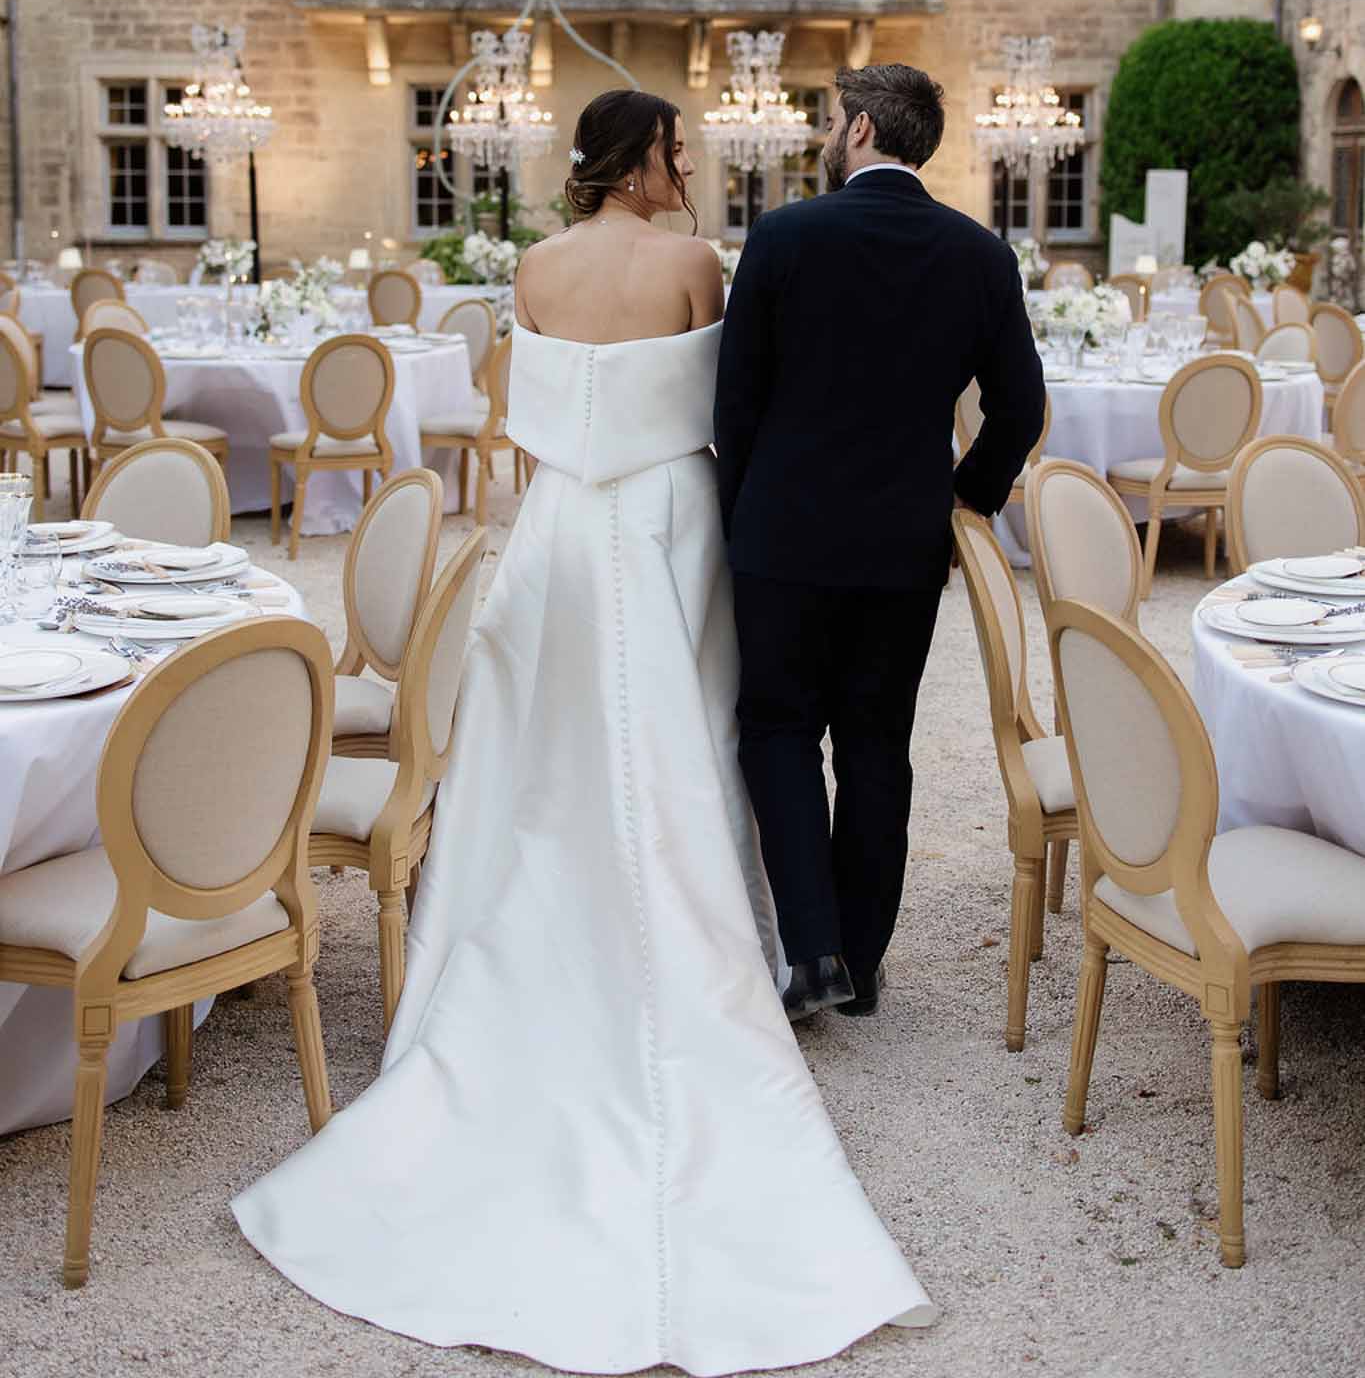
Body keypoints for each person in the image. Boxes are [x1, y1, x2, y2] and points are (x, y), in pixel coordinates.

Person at [234, 87, 936, 1371]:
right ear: (644, 159)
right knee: (687, 732)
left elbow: (519, 416)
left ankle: (543, 922)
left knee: (549, 752)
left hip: (560, 530)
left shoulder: (534, 266)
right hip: (668, 523)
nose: (691, 168)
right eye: (681, 150)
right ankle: (708, 927)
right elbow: (730, 408)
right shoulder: (693, 263)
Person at [715, 63, 1046, 1022]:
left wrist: (741, 520)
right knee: (875, 744)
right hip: (902, 540)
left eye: (830, 121)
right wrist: (961, 500)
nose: (827, 133)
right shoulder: (978, 253)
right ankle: (859, 962)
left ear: (858, 130)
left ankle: (810, 948)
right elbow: (1018, 408)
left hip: (781, 533)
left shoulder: (782, 236)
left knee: (776, 731)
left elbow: (734, 406)